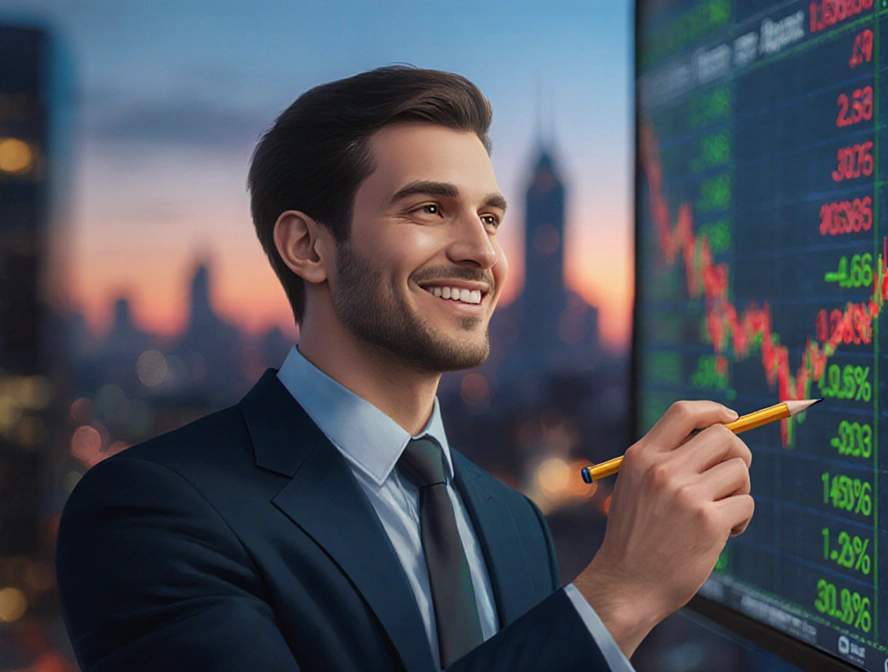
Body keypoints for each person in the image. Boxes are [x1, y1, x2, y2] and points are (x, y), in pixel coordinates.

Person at [55, 66, 754, 672]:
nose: (482, 252)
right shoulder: (154, 511)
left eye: (490, 217)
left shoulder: (514, 522)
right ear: (308, 246)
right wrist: (619, 595)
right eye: (429, 208)